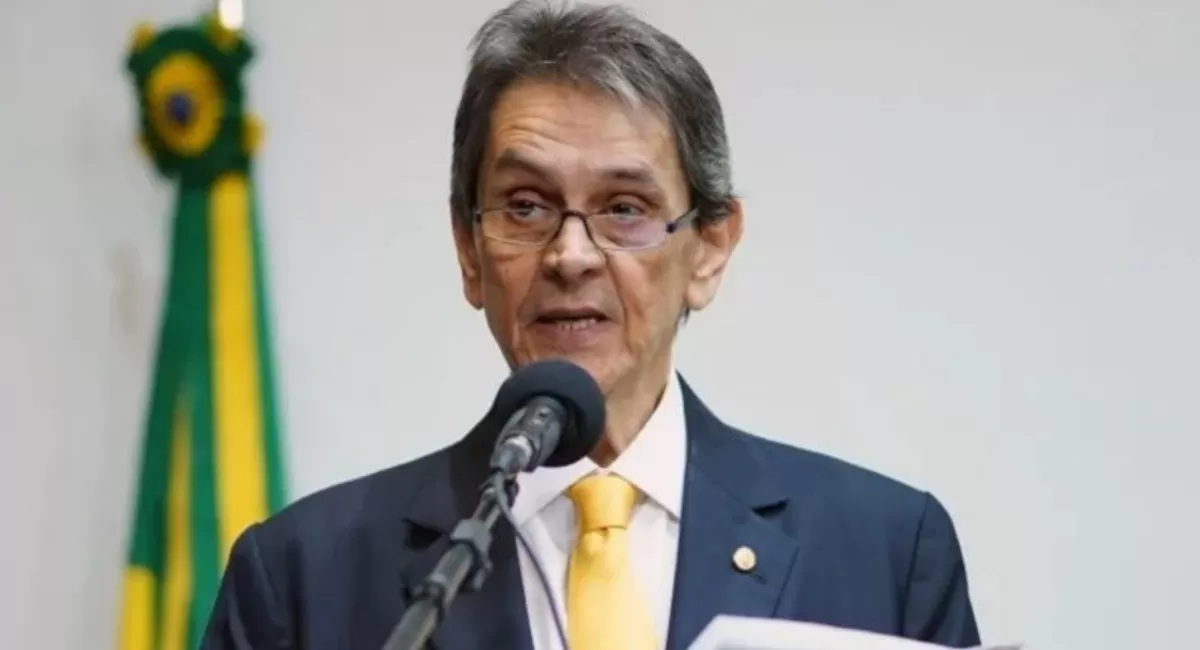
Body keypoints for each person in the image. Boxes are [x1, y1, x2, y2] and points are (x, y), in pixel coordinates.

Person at [201, 1, 981, 648]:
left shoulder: (885, 553)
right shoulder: (304, 578)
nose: (570, 255)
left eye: (624, 209)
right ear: (469, 249)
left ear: (710, 248)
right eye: (525, 206)